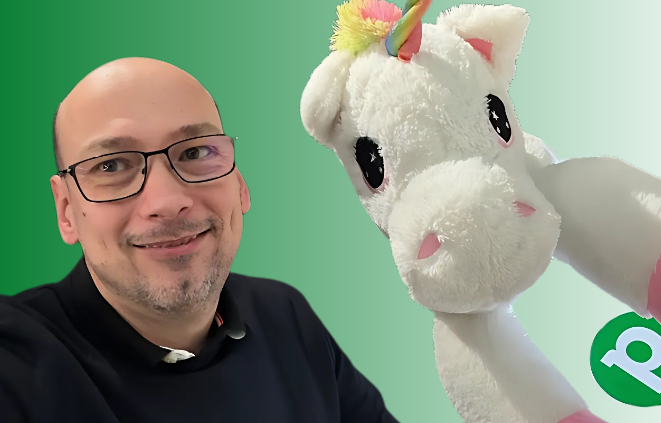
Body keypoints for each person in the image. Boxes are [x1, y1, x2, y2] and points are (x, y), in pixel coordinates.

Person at [0, 57, 399, 423]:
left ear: (239, 186)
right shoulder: (15, 362)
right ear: (66, 210)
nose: (167, 202)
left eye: (194, 153)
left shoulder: (287, 318)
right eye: (111, 165)